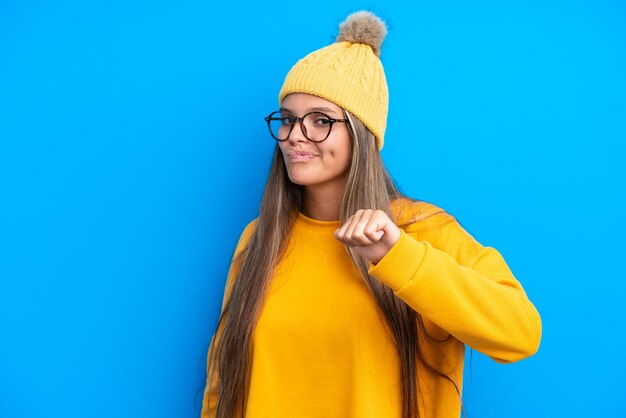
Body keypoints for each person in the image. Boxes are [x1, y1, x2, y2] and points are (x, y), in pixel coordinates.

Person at [200, 10, 541, 418]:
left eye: (321, 120)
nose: (294, 136)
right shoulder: (259, 238)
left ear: (362, 134)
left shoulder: (423, 231)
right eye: (288, 120)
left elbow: (520, 333)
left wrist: (397, 254)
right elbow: (223, 380)